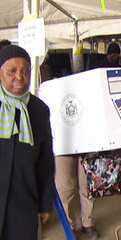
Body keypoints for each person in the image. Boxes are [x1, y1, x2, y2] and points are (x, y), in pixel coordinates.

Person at [0, 45, 55, 240]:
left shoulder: (39, 110)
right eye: (11, 71)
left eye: (25, 71)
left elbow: (46, 161)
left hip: (24, 202)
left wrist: (45, 202)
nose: (19, 77)